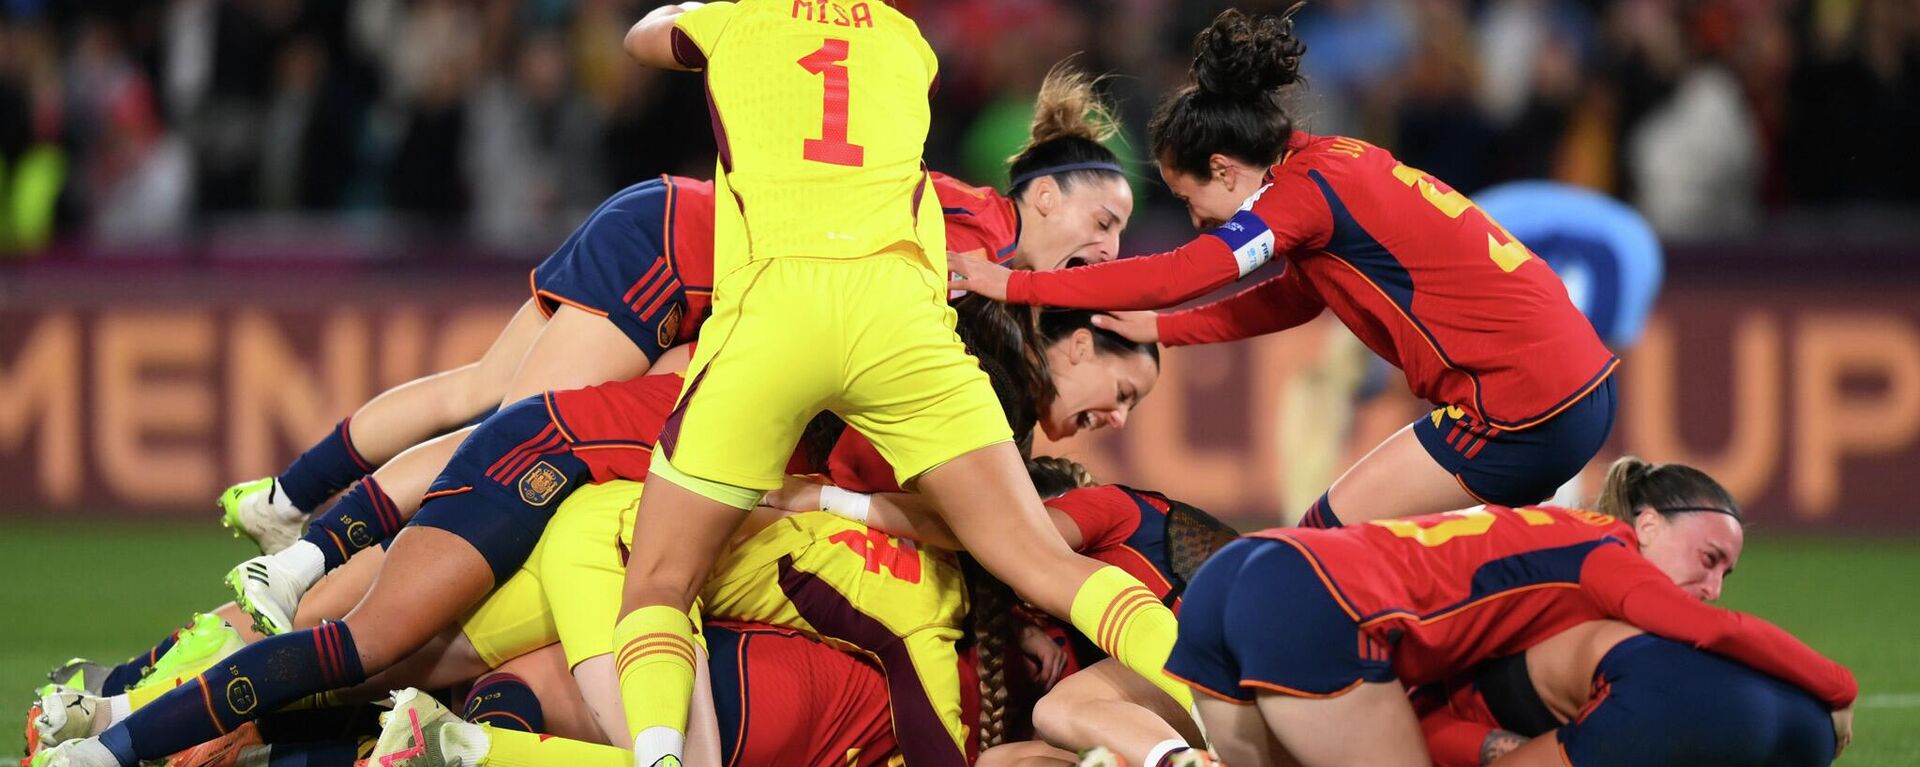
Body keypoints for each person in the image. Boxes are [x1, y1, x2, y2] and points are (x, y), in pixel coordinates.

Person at [215, 58, 1136, 555]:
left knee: (483, 391)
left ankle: (285, 496)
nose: (1109, 252)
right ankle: (313, 555)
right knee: (514, 432)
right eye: (1103, 220)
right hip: (677, 258)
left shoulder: (977, 234)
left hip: (662, 217)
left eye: (1123, 236)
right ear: (1045, 199)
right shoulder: (976, 234)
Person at [613, 6, 1185, 767]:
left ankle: (654, 757)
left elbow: (643, 39)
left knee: (655, 581)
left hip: (776, 309)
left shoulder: (737, 21)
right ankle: (1209, 705)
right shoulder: (908, 41)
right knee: (1046, 562)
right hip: (896, 320)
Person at [951, 7, 1617, 527]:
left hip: (1521, 408)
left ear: (1222, 167)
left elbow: (1185, 272)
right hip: (1572, 389)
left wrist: (1012, 281)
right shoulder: (1333, 163)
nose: (1197, 219)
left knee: (1324, 542)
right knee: (1469, 564)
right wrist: (1166, 329)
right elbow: (1291, 299)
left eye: (1191, 200)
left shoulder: (1303, 195)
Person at [1164, 457, 1856, 766]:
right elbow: (1709, 630)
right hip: (1315, 598)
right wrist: (1835, 686)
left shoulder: (1554, 549)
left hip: (1247, 567)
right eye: (1708, 558)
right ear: (1644, 523)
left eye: (1727, 573)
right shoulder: (1602, 554)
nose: (1713, 586)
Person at [764, 457, 1236, 767]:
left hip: (1236, 669)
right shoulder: (1031, 627)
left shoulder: (1108, 508)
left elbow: (990, 531)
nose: (1116, 416)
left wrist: (831, 500)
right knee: (1003, 762)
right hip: (1202, 701)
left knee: (1062, 710)